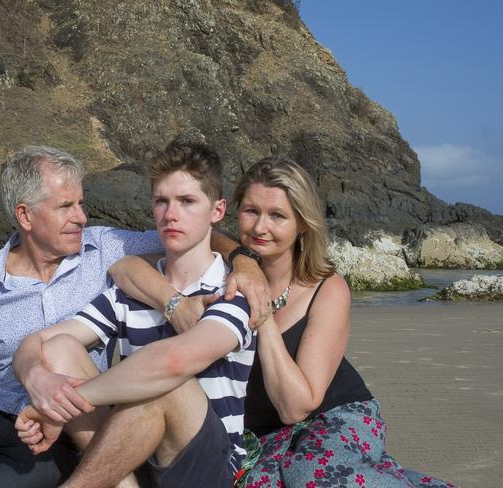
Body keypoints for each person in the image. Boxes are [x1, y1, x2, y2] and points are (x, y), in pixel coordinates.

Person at [108, 156, 455, 487]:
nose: (260, 227)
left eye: (277, 216)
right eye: (251, 211)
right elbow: (124, 268)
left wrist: (262, 308)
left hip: (333, 417)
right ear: (233, 211)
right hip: (261, 436)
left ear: (302, 223)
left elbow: (296, 407)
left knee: (311, 476)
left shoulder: (326, 287)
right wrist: (177, 303)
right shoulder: (217, 270)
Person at [12, 140, 256, 488]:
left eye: (187, 201)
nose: (171, 214)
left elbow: (171, 365)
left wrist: (66, 402)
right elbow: (37, 343)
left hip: (210, 467)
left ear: (217, 211)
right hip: (138, 453)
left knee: (164, 385)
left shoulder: (234, 288)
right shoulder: (132, 291)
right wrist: (39, 381)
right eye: (161, 201)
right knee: (58, 349)